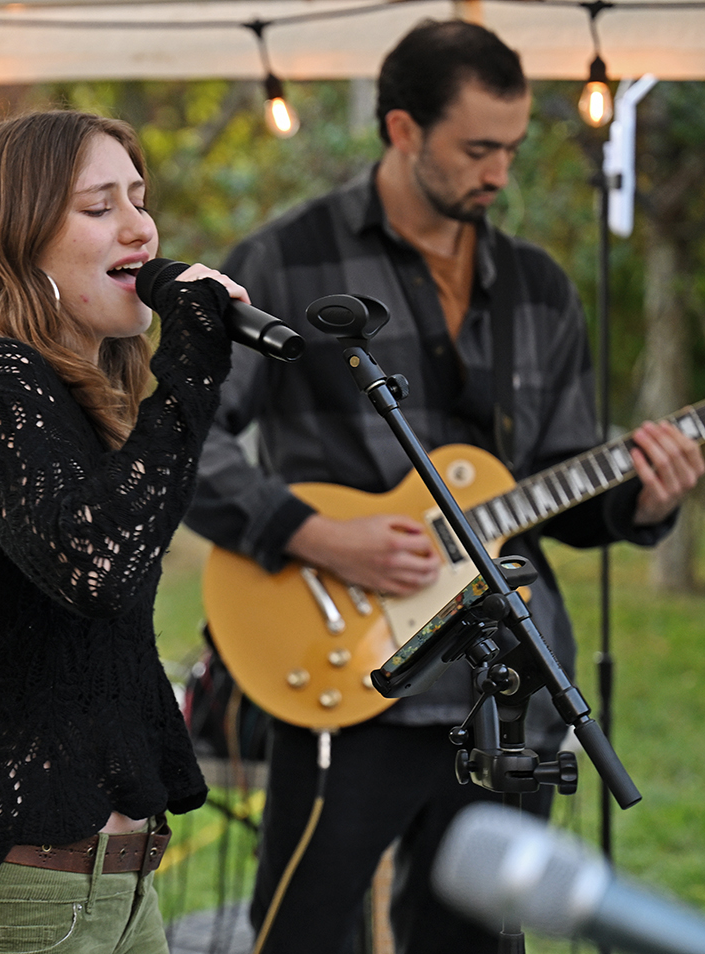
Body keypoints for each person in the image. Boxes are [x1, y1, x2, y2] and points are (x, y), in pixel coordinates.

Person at [183, 19, 704, 954]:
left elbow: (568, 480)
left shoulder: (540, 288)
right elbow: (183, 437)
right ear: (401, 130)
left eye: (511, 148)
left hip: (511, 689)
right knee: (302, 937)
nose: (499, 173)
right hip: (347, 676)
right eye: (477, 149)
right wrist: (311, 531)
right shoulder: (285, 260)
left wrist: (647, 497)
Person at [0, 110, 246, 954]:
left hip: (110, 894)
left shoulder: (57, 399)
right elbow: (101, 567)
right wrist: (193, 366)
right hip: (8, 905)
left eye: (140, 199)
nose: (140, 226)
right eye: (99, 207)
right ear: (13, 240)